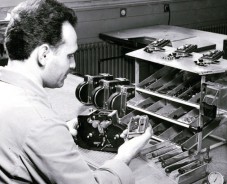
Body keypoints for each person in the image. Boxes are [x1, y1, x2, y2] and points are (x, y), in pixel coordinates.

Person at [0, 0, 152, 183]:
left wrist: (59, 134)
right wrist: (124, 156)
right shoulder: (41, 123)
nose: (74, 65)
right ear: (44, 55)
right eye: (69, 55)